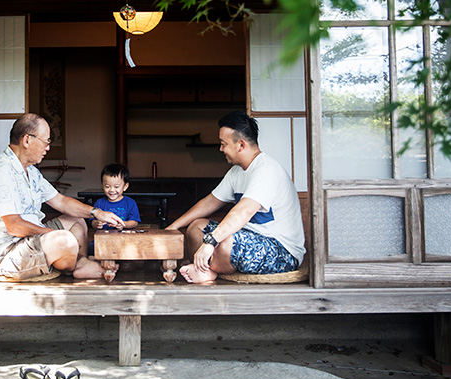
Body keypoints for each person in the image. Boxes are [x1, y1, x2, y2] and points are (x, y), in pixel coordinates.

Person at [0, 113, 123, 280]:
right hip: (8, 253)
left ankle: (76, 264)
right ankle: (80, 264)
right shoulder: (1, 172)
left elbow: (60, 201)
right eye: (45, 141)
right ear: (27, 140)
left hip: (32, 240)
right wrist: (53, 235)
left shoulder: (31, 171)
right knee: (65, 240)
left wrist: (97, 212)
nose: (48, 147)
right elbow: (14, 226)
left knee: (77, 220)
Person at [165, 111, 305, 283]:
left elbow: (243, 212)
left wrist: (211, 242)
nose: (220, 148)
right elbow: (210, 202)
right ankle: (205, 269)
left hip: (281, 250)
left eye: (223, 144)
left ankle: (207, 268)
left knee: (225, 241)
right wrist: (173, 227)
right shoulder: (236, 172)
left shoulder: (266, 170)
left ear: (241, 144)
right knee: (196, 228)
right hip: (247, 237)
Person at [90, 163, 140, 232]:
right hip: (103, 238)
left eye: (116, 187)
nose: (112, 190)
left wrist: (124, 224)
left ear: (125, 186)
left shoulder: (130, 203)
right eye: (107, 186)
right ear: (102, 185)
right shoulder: (99, 203)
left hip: (122, 238)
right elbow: (92, 221)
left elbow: (134, 222)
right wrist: (96, 224)